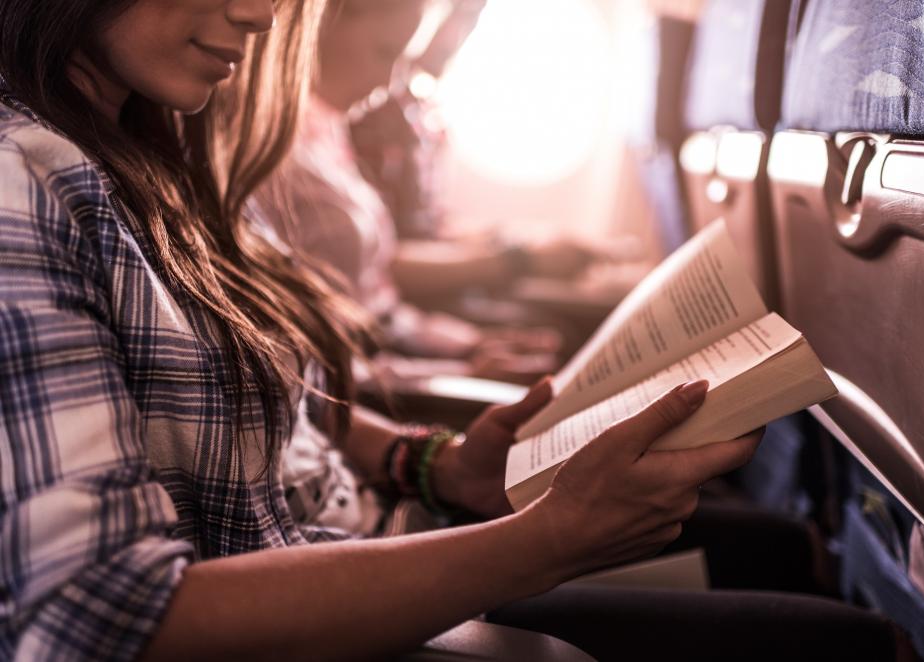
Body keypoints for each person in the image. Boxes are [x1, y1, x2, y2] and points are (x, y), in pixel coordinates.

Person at [0, 0, 763, 659]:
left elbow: (260, 396)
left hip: (352, 545)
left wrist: (432, 464)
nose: (263, 16)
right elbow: (95, 621)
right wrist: (544, 543)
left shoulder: (153, 156)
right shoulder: (22, 183)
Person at [259, 0, 605, 386]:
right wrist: (459, 368)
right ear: (323, 23)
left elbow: (383, 306)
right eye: (384, 52)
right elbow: (322, 358)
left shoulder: (327, 128)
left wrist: (469, 347)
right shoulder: (272, 151)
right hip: (364, 380)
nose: (391, 80)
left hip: (390, 346)